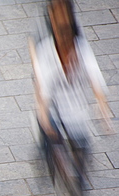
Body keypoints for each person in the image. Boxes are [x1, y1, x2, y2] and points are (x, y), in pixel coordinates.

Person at [29, 0, 112, 184]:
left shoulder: (80, 48)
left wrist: (102, 108)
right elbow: (42, 90)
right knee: (51, 143)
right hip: (53, 109)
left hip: (76, 110)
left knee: (82, 152)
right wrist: (43, 117)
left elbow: (95, 78)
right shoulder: (46, 50)